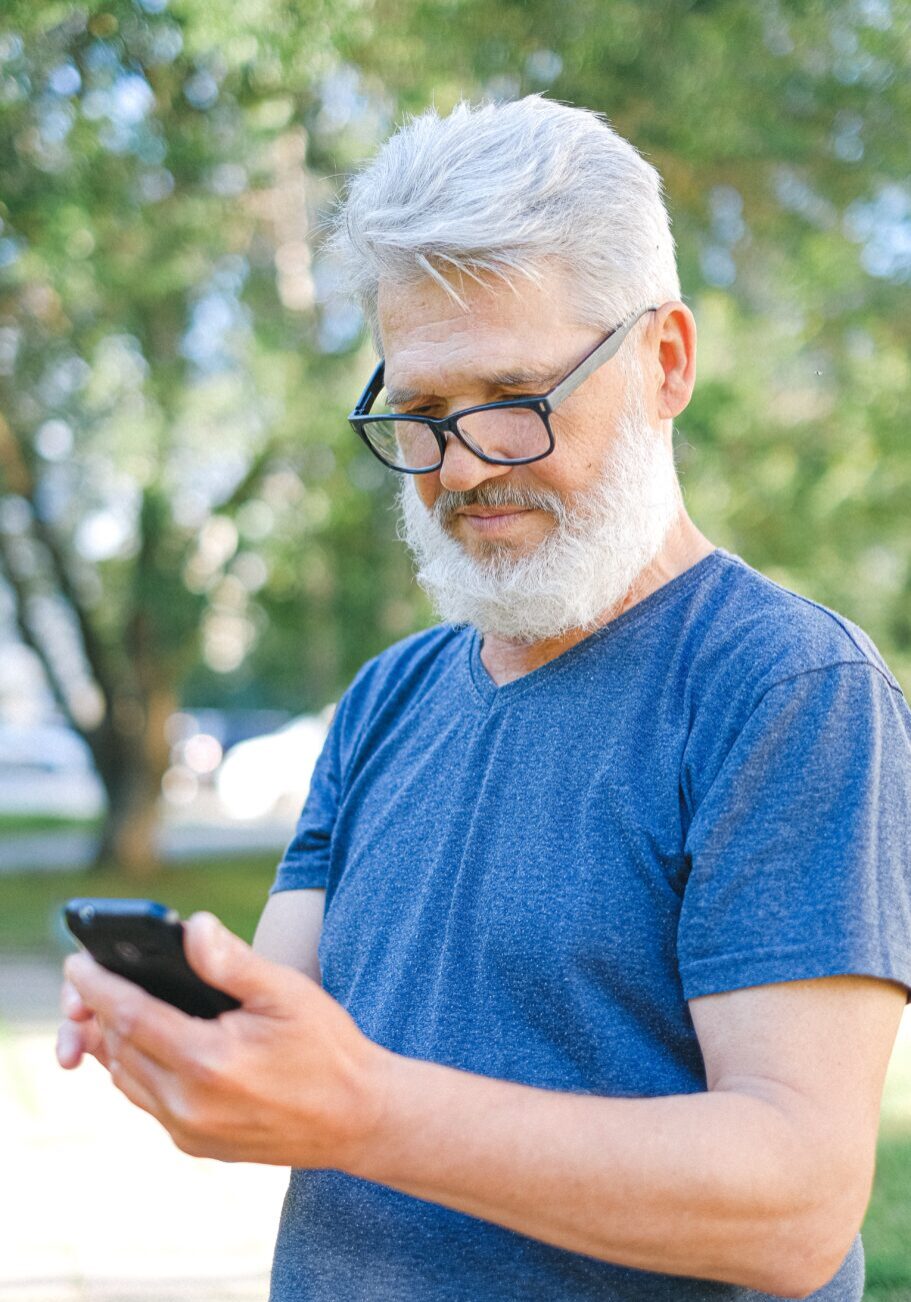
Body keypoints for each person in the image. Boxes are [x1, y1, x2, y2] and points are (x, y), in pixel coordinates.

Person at [57, 96, 911, 1301]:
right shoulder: (386, 698)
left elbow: (794, 1206)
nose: (459, 466)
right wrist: (183, 1045)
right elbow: (291, 1065)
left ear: (663, 361)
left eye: (511, 397)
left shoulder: (783, 690)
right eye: (417, 412)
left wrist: (364, 1111)